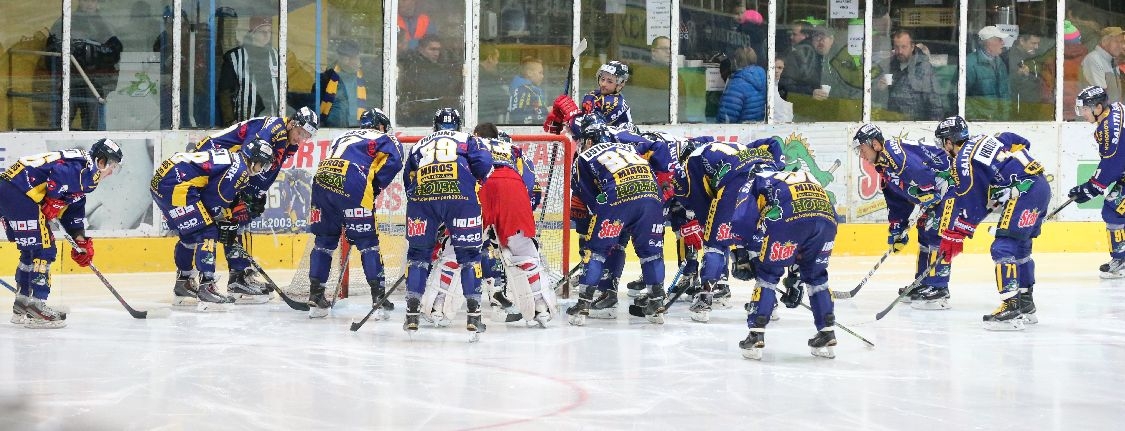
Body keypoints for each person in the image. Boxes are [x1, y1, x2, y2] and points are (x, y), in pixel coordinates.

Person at [193, 107, 319, 302]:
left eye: (306, 137)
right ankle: (235, 276)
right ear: (293, 123)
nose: (301, 139)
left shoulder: (288, 140)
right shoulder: (272, 131)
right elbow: (245, 161)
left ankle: (239, 274)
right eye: (301, 133)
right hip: (214, 162)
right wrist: (239, 198)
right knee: (229, 220)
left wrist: (256, 194)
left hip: (229, 169)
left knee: (238, 221)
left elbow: (268, 169)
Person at [934, 116, 1049, 330]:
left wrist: (956, 233)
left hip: (1023, 192)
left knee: (1003, 247)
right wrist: (1004, 177)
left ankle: (1011, 307)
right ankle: (1026, 304)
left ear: (949, 142)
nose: (943, 149)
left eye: (943, 143)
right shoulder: (986, 138)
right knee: (1021, 249)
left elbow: (971, 200)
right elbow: (1019, 141)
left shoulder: (962, 161)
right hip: (1041, 186)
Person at [0, 139, 122, 328]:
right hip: (21, 192)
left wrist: (79, 240)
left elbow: (74, 205)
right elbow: (59, 174)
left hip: (10, 188)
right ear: (101, 160)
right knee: (45, 249)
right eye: (112, 164)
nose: (112, 171)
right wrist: (53, 199)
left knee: (31, 249)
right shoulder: (85, 168)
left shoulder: (87, 171)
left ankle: (23, 303)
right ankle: (37, 307)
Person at [402, 108, 494, 338]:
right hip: (460, 197)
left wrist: (429, 204)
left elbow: (408, 180)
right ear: (458, 125)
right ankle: (474, 317)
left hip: (423, 198)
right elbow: (484, 164)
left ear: (435, 126)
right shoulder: (468, 139)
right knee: (470, 257)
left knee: (417, 257)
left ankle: (412, 314)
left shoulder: (419, 144)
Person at [565, 116, 666, 326]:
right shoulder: (629, 149)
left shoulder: (583, 158)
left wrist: (609, 218)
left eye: (583, 140)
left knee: (597, 252)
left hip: (619, 195)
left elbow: (591, 199)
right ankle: (656, 305)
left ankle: (583, 304)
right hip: (652, 195)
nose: (581, 144)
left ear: (590, 141)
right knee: (651, 253)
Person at [151, 140, 273, 312]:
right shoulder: (241, 170)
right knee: (208, 232)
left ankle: (183, 283)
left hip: (163, 182)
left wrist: (225, 215)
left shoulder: (234, 158)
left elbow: (211, 192)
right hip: (177, 185)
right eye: (263, 165)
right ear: (254, 160)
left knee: (190, 235)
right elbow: (214, 200)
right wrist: (226, 218)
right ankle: (207, 286)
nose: (262, 170)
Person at [730, 168, 839, 359]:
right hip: (827, 219)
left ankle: (756, 333)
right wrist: (794, 278)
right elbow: (801, 245)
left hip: (790, 217)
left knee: (768, 275)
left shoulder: (754, 180)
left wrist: (742, 255)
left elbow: (741, 220)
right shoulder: (789, 178)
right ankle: (827, 330)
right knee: (816, 276)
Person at [673, 137, 784, 323]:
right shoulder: (739, 147)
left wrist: (719, 237)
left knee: (714, 244)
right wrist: (741, 253)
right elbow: (774, 143)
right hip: (772, 184)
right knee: (758, 246)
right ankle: (767, 302)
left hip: (735, 187)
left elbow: (704, 207)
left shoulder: (692, 160)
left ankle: (704, 298)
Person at [306, 108, 403, 318]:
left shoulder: (341, 136)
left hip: (322, 179)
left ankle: (316, 295)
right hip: (352, 181)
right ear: (379, 125)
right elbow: (395, 160)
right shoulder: (383, 137)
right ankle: (379, 298)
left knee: (324, 240)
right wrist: (373, 188)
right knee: (368, 243)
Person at [851, 124, 954, 309]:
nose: (861, 154)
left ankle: (939, 288)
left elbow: (919, 170)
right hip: (934, 192)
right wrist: (898, 228)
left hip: (948, 185)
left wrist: (928, 188)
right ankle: (923, 282)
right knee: (924, 234)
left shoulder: (894, 153)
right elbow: (897, 198)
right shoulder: (882, 164)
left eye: (862, 149)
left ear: (875, 144)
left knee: (935, 234)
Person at [471, 122, 556, 326]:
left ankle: (445, 303)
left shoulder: (473, 144)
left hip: (482, 193)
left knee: (465, 245)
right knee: (523, 252)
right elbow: (531, 187)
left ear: (477, 135)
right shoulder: (514, 150)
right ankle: (540, 307)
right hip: (514, 193)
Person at [1070, 86, 1125, 278]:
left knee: (1113, 210)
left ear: (1099, 107)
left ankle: (1122, 260)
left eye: (1085, 109)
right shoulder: (1116, 108)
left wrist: (1091, 188)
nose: (1082, 113)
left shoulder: (1109, 130)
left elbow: (1113, 164)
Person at [48, 0, 122, 130]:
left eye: (93, 1)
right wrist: (59, 75)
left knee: (93, 125)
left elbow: (115, 52)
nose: (89, 4)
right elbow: (51, 51)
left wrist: (95, 54)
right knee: (60, 125)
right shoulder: (65, 22)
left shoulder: (103, 25)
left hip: (93, 82)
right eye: (86, 0)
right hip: (69, 81)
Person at [543, 60, 634, 134]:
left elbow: (591, 129)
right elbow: (584, 123)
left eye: (609, 81)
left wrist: (571, 116)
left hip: (619, 148)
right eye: (602, 79)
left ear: (620, 84)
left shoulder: (615, 103)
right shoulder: (592, 96)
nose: (603, 84)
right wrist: (563, 122)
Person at [218, 17, 280, 124]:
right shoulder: (235, 57)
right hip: (245, 122)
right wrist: (230, 120)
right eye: (262, 31)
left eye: (269, 31)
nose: (267, 35)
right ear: (252, 33)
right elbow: (225, 92)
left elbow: (284, 87)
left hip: (273, 121)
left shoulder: (277, 55)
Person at [878, 30, 944, 121]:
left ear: (912, 47)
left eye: (903, 47)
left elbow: (935, 105)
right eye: (896, 47)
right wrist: (880, 90)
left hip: (914, 125)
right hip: (890, 122)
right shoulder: (890, 65)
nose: (899, 51)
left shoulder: (924, 68)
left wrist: (932, 130)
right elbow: (877, 100)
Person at [398, 35, 457, 126]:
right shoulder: (412, 66)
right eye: (432, 49)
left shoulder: (441, 64)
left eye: (438, 50)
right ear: (421, 49)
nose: (436, 53)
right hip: (416, 115)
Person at [1044, 22, 1088, 121]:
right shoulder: (1088, 60)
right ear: (1079, 41)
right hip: (1083, 112)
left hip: (1058, 112)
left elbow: (1046, 91)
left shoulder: (1051, 62)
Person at [318, 40, 367, 128]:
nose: (357, 62)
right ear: (343, 58)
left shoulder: (365, 78)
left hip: (358, 128)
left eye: (357, 58)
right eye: (354, 58)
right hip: (330, 129)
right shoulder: (327, 77)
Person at [966, 26, 1012, 120]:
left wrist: (1005, 118)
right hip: (979, 122)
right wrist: (974, 118)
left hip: (999, 122)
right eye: (1000, 40)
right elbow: (958, 95)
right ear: (989, 43)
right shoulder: (970, 63)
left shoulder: (1000, 63)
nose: (1003, 43)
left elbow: (1005, 93)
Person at [717, 46, 767, 123]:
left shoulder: (737, 85)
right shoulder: (763, 77)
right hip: (757, 130)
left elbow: (726, 118)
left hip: (740, 132)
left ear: (736, 61)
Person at [1079, 27, 1124, 94]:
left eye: (1122, 42)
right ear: (1104, 42)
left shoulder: (1112, 61)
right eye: (1117, 41)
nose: (1122, 46)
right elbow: (1099, 97)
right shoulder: (1094, 59)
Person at [508, 56, 547, 125]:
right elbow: (525, 116)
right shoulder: (527, 91)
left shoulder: (518, 87)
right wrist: (547, 111)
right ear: (529, 73)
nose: (542, 76)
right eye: (540, 73)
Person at [479, 46, 508, 123]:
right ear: (490, 58)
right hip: (484, 122)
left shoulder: (476, 73)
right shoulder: (487, 77)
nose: (497, 62)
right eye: (496, 58)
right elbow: (503, 102)